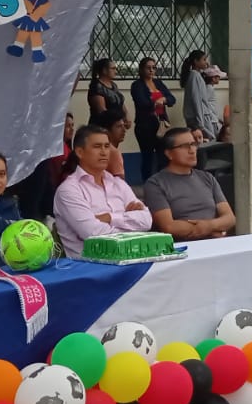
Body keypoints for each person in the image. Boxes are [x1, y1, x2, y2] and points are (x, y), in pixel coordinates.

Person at [54, 124, 153, 256]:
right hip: (90, 263)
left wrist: (110, 217)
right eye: (97, 146)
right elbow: (93, 234)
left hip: (131, 256)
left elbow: (147, 221)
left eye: (107, 146)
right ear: (80, 152)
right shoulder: (69, 190)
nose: (104, 152)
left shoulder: (118, 184)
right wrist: (130, 223)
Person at [142, 127, 236, 241]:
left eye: (193, 144)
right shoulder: (155, 184)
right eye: (185, 146)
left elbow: (230, 218)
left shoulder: (207, 178)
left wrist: (209, 226)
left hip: (215, 243)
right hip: (183, 246)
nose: (192, 150)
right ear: (169, 154)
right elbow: (168, 227)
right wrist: (209, 230)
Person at [130, 57, 176, 179]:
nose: (151, 70)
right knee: (148, 158)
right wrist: (156, 102)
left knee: (164, 156)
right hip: (145, 126)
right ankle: (148, 183)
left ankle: (163, 182)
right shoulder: (137, 85)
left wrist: (164, 99)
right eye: (148, 68)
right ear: (141, 69)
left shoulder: (158, 83)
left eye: (154, 68)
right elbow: (142, 102)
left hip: (161, 124)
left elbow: (172, 99)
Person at [182, 49, 227, 142]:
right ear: (196, 61)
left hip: (201, 116)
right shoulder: (194, 76)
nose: (206, 62)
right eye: (204, 59)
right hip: (200, 117)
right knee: (209, 140)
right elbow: (196, 100)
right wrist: (200, 122)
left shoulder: (197, 75)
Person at [86, 57, 127, 124]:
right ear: (104, 70)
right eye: (113, 69)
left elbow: (120, 102)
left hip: (116, 124)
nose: (115, 72)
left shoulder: (113, 85)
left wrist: (126, 116)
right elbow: (102, 110)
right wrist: (115, 122)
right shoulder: (96, 87)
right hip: (102, 125)